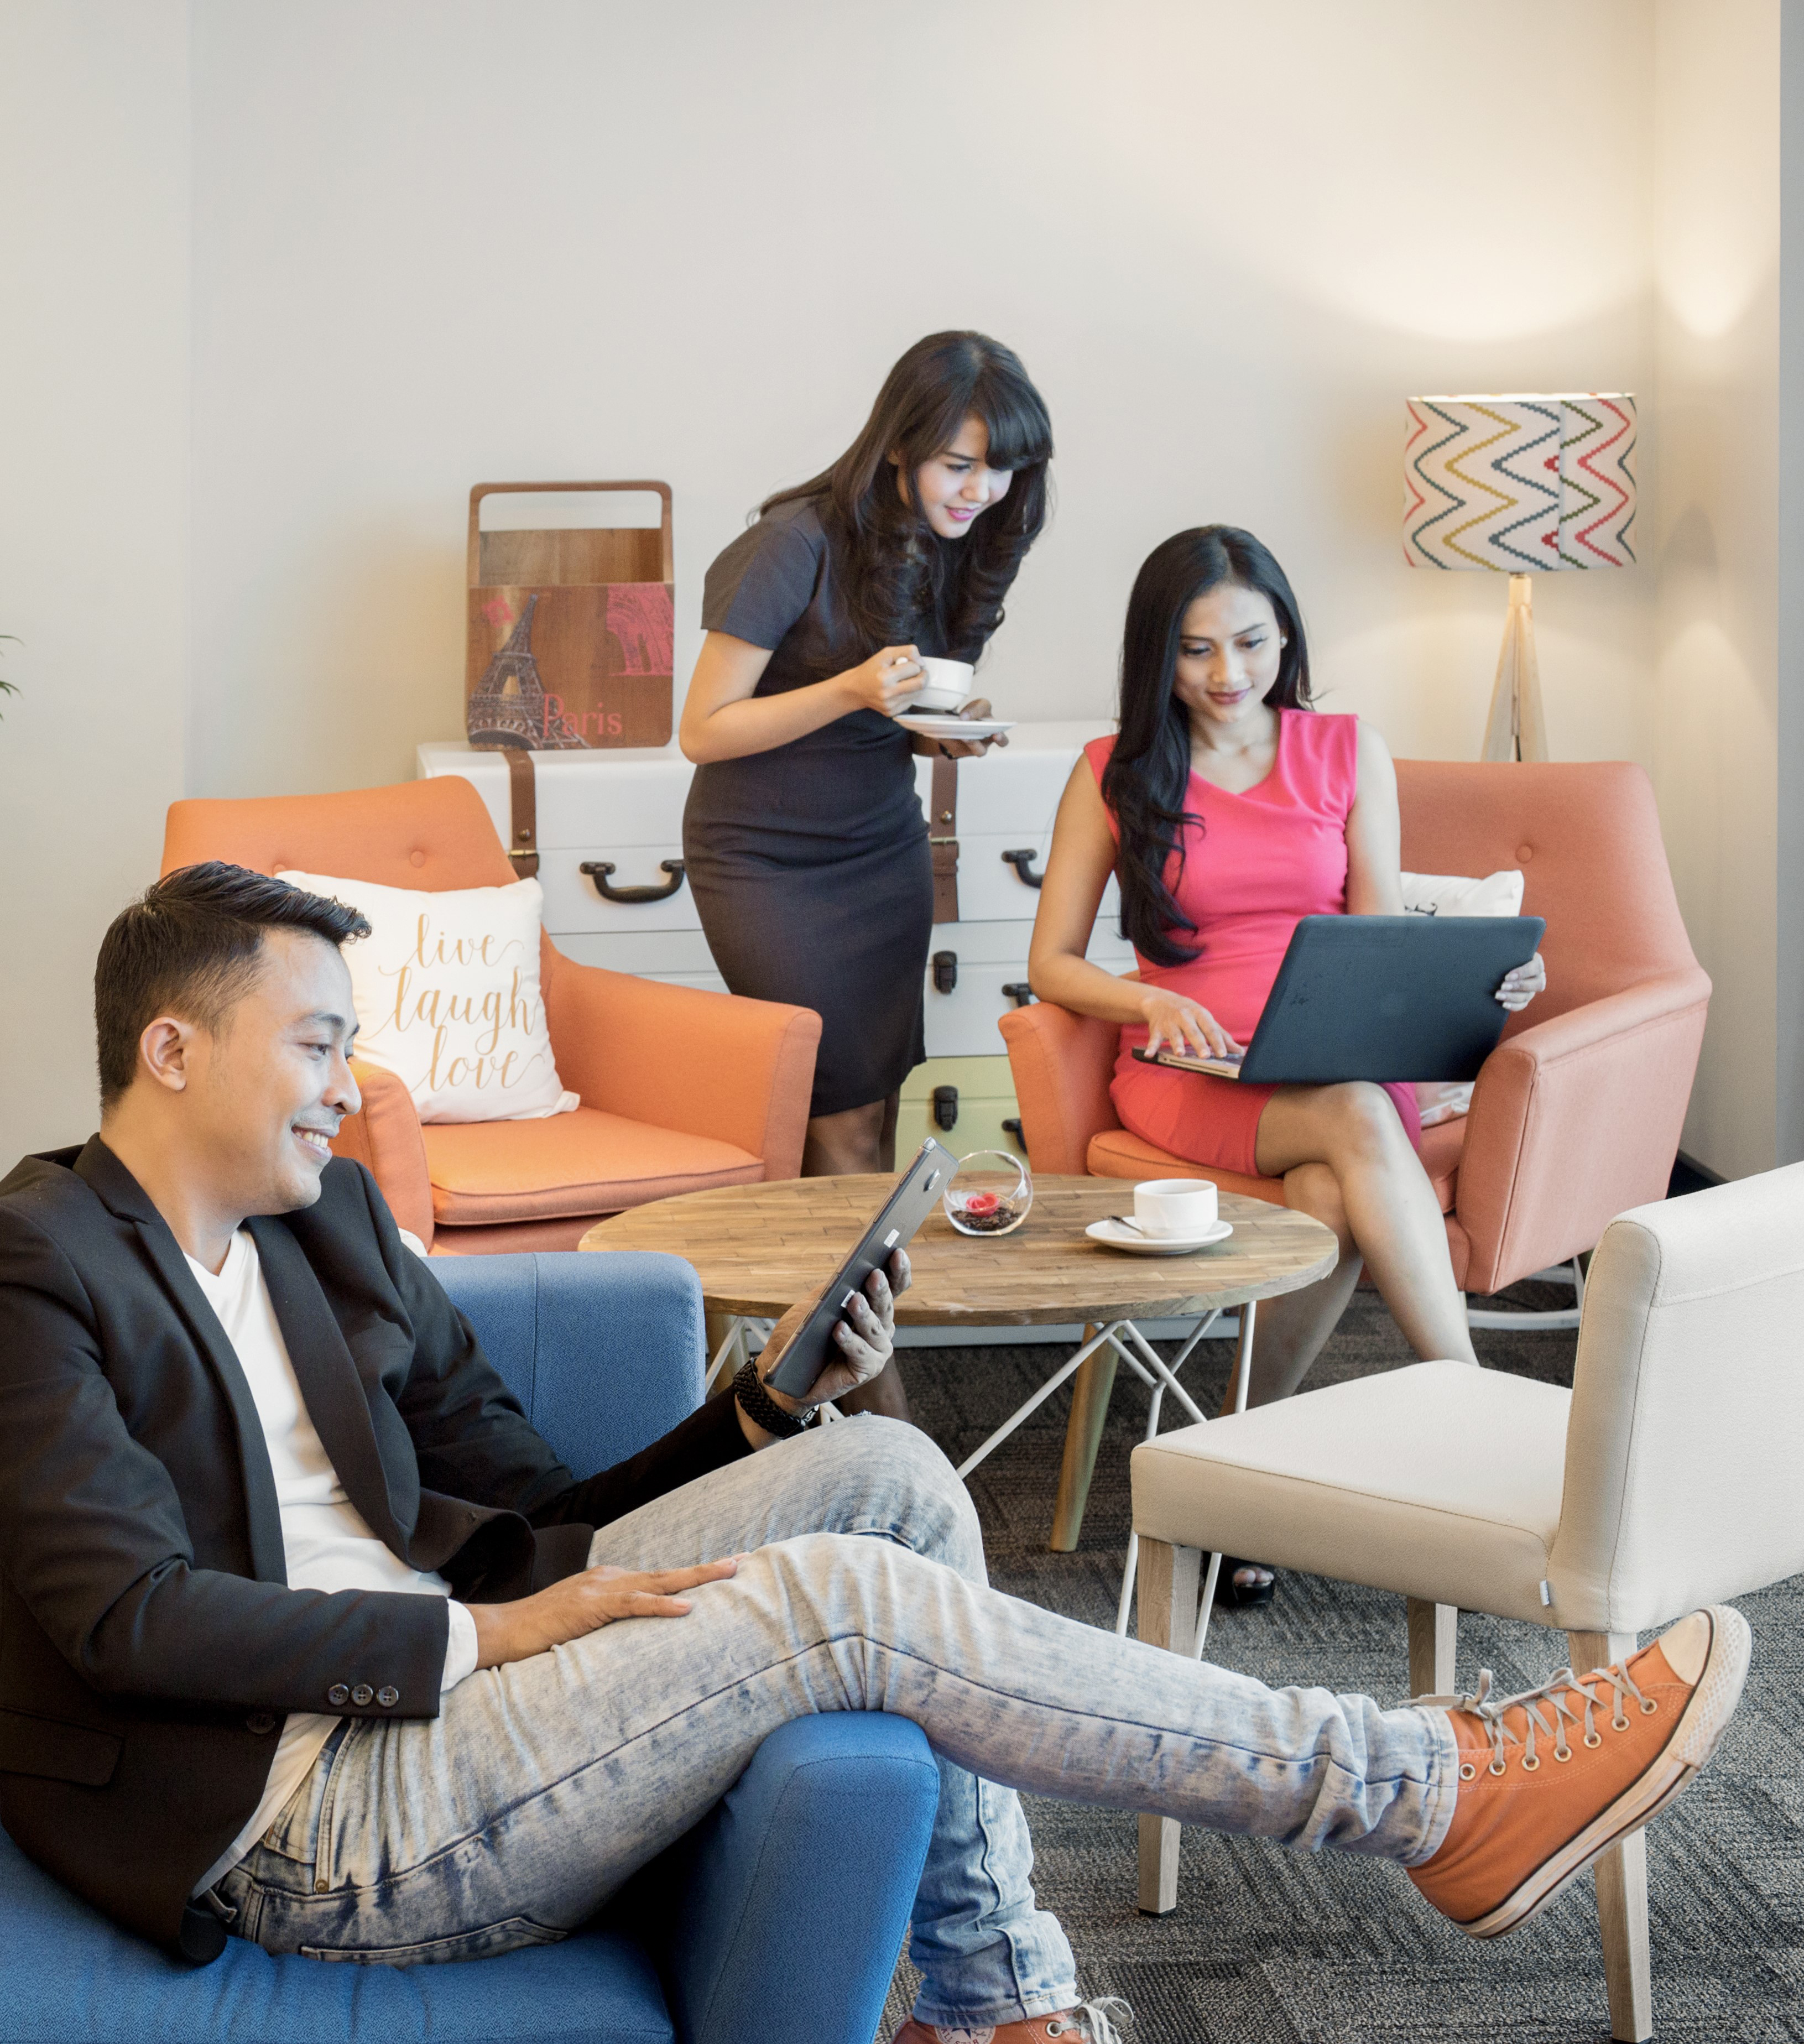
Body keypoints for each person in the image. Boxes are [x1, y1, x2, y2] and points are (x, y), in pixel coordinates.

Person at [0, 863, 1744, 2044]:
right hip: (311, 1805)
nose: (342, 1081)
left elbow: (532, 1505)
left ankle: (993, 2003)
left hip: (468, 1692)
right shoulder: (43, 1260)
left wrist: (762, 1413)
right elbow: (127, 1617)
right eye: (314, 1044)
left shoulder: (332, 1230)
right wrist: (479, 1638)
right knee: (839, 1599)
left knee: (892, 1482)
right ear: (173, 1048)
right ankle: (1415, 1790)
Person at [1028, 526, 1547, 1605]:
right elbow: (1051, 965)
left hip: (1335, 1059)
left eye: (1251, 644)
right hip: (1191, 1069)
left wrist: (1482, 987)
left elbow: (1374, 945)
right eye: (1196, 651)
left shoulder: (1347, 750)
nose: (1228, 676)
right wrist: (1149, 997)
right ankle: (1481, 1410)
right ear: (1156, 657)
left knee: (1329, 1182)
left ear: (1284, 635)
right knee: (1354, 1128)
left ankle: (1236, 1468)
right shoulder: (1113, 772)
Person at [677, 331, 1054, 1422]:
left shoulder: (961, 542)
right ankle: (883, 1415)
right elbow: (703, 731)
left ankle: (800, 1382)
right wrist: (850, 690)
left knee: (865, 1129)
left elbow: (899, 709)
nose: (980, 490)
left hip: (881, 851)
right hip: (767, 863)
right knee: (840, 1129)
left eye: (1001, 469)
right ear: (898, 449)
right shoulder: (789, 544)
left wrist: (945, 732)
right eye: (957, 465)